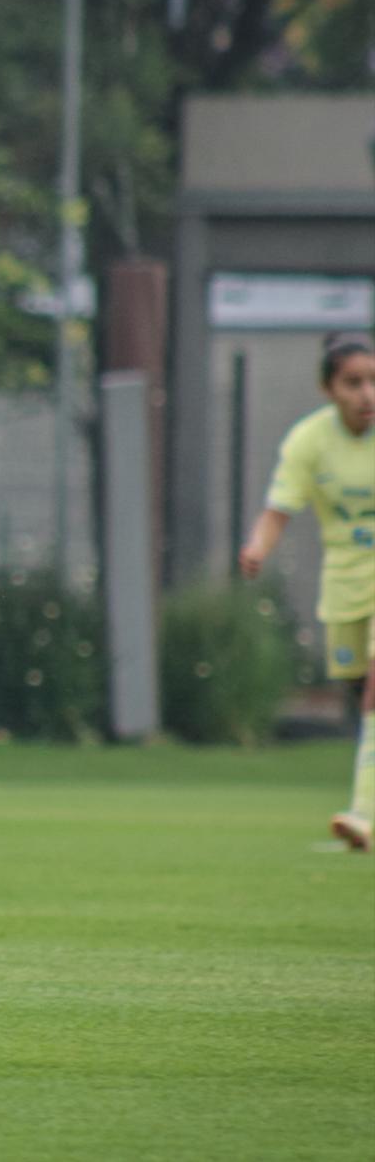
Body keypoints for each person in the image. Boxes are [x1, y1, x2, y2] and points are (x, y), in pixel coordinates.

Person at [239, 332, 375, 851]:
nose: (367, 395)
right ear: (328, 388)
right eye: (353, 383)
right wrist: (257, 548)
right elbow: (280, 509)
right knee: (356, 688)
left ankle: (362, 813)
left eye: (374, 381)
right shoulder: (309, 441)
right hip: (345, 581)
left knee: (374, 692)